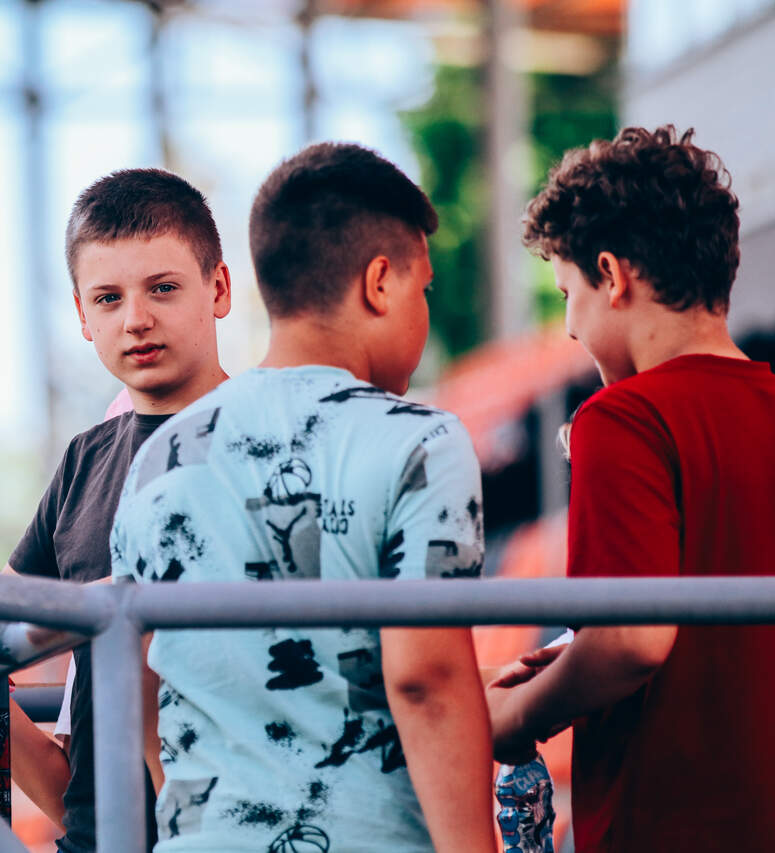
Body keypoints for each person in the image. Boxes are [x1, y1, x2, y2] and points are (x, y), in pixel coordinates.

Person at [111, 142, 495, 852]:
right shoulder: (421, 441)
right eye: (423, 288)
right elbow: (426, 678)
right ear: (380, 283)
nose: (425, 310)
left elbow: (134, 670)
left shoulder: (158, 457)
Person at [486, 125, 775, 852]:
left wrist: (522, 714)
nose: (570, 328)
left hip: (665, 819)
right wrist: (577, 657)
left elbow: (632, 638)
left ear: (612, 275)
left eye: (567, 294)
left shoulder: (622, 417)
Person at [0, 166, 232, 853]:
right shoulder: (84, 463)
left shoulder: (269, 448)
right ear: (82, 315)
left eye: (162, 288)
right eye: (108, 297)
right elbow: (82, 794)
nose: (136, 319)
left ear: (218, 289)